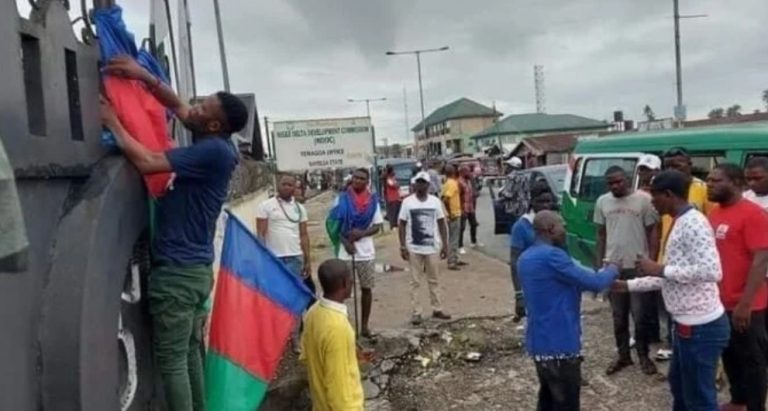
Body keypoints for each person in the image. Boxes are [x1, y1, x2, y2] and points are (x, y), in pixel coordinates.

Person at [100, 56, 248, 411]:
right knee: (190, 353)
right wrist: (145, 77)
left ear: (213, 124)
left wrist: (114, 124)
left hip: (178, 275)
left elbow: (150, 162)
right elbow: (178, 106)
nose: (192, 106)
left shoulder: (211, 151)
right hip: (194, 272)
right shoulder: (217, 143)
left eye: (203, 106)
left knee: (172, 360)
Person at [614, 170, 729, 411]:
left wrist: (660, 268)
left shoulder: (694, 223)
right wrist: (627, 285)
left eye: (654, 196)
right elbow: (668, 277)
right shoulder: (678, 221)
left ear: (669, 195)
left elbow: (712, 272)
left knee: (699, 398)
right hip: (684, 325)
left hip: (701, 326)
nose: (651, 201)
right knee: (680, 389)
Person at [518, 210, 619, 411]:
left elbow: (573, 280)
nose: (565, 229)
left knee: (548, 398)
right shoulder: (553, 257)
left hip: (539, 340)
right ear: (551, 229)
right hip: (559, 343)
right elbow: (594, 283)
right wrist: (613, 269)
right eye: (562, 225)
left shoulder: (526, 257)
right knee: (566, 402)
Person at [706, 163, 768, 411]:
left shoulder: (753, 214)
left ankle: (755, 407)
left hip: (748, 304)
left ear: (735, 183)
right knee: (730, 356)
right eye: (708, 180)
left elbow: (761, 260)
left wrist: (745, 304)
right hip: (721, 302)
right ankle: (738, 400)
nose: (709, 184)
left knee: (753, 361)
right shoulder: (715, 213)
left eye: (716, 181)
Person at [595, 166, 659, 376]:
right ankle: (623, 356)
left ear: (628, 180)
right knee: (618, 316)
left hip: (638, 267)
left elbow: (652, 232)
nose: (615, 186)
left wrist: (651, 262)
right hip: (613, 268)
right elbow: (601, 235)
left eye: (618, 182)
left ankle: (643, 356)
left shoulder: (643, 200)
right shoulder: (602, 201)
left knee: (640, 316)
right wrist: (600, 266)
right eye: (610, 183)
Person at [654, 146, 714, 360]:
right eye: (668, 166)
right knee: (672, 306)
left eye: (677, 165)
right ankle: (674, 346)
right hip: (667, 257)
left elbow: (712, 224)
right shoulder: (661, 191)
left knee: (690, 307)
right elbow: (660, 226)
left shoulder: (703, 189)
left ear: (689, 165)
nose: (673, 170)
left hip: (692, 263)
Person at [301, 259, 364, 411]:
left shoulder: (313, 312)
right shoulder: (337, 328)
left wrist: (350, 354)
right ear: (344, 283)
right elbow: (340, 396)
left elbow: (308, 355)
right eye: (350, 279)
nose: (352, 282)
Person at [335, 168, 383, 339]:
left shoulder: (373, 201)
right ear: (352, 178)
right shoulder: (341, 199)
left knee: (366, 289)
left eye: (362, 178)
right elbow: (335, 225)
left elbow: (377, 226)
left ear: (367, 181)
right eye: (355, 177)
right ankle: (343, 327)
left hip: (366, 253)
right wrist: (346, 242)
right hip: (346, 253)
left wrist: (361, 234)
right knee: (341, 291)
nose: (358, 181)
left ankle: (364, 327)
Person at [399, 171, 451, 325]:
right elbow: (401, 224)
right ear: (414, 184)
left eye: (423, 183)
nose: (420, 185)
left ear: (428, 185)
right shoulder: (407, 202)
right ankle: (417, 312)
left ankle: (437, 309)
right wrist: (402, 246)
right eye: (418, 182)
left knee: (434, 279)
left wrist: (445, 245)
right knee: (415, 281)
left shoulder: (435, 202)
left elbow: (442, 223)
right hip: (414, 248)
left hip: (432, 247)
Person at [509, 185, 556, 322]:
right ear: (532, 202)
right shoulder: (522, 227)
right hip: (532, 287)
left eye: (548, 201)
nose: (546, 205)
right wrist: (519, 295)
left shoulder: (555, 223)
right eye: (541, 202)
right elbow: (514, 262)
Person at [256, 175, 311, 278]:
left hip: (295, 257)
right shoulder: (265, 206)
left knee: (293, 292)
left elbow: (304, 235)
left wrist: (307, 260)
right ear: (278, 186)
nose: (286, 187)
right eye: (283, 184)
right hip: (274, 258)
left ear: (294, 188)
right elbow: (260, 234)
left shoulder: (300, 209)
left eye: (289, 185)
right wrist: (262, 257)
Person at [441, 165, 464, 270]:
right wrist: (450, 213)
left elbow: (442, 197)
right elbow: (446, 199)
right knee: (454, 238)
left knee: (453, 237)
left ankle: (455, 258)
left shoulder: (446, 183)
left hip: (453, 213)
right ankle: (452, 261)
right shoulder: (452, 184)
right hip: (454, 214)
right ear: (453, 172)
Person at [458, 165, 482, 254]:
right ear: (462, 172)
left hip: (471, 207)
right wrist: (461, 209)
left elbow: (474, 193)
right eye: (467, 171)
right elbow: (459, 197)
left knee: (473, 224)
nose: (469, 173)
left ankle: (474, 241)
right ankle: (460, 246)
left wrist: (472, 181)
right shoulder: (459, 182)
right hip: (463, 207)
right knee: (462, 227)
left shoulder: (469, 181)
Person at [384, 165, 402, 230]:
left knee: (397, 212)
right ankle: (392, 226)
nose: (394, 172)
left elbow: (398, 185)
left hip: (397, 198)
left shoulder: (393, 179)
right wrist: (396, 184)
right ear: (390, 172)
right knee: (393, 213)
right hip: (392, 199)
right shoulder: (388, 179)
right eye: (393, 171)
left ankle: (396, 225)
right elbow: (394, 185)